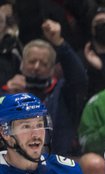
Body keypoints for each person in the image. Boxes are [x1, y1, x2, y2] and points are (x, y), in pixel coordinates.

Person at [2, 19, 88, 157]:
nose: (36, 67)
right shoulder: (8, 93)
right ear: (22, 64)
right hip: (12, 166)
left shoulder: (62, 93)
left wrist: (59, 43)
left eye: (43, 63)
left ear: (52, 69)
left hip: (54, 163)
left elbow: (79, 80)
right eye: (32, 61)